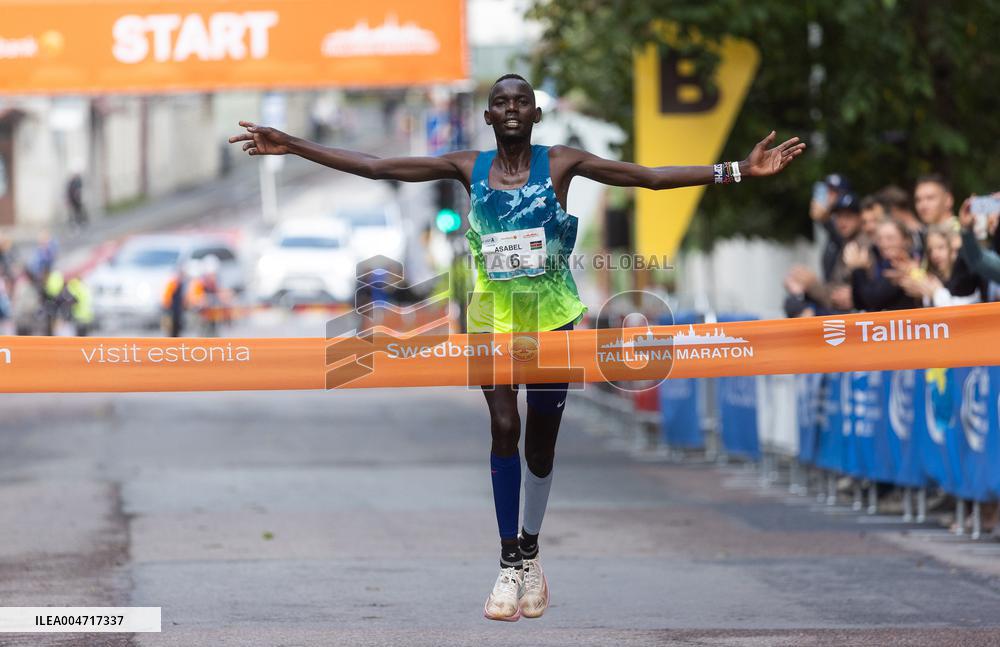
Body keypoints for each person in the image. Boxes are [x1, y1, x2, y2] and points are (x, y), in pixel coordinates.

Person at [228, 73, 805, 621]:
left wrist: (735, 170)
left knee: (542, 446)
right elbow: (380, 167)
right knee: (504, 425)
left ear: (534, 113)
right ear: (486, 116)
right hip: (490, 319)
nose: (510, 109)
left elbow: (647, 176)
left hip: (550, 317)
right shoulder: (465, 166)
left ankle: (531, 549)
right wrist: (295, 146)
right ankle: (509, 562)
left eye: (520, 101)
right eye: (500, 102)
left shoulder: (560, 164)